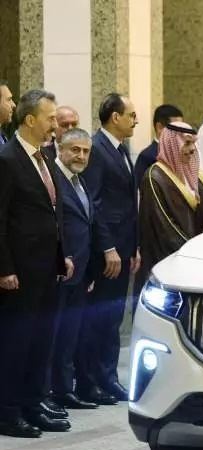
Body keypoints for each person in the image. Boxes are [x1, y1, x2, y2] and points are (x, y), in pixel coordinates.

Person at [0, 89, 72, 437]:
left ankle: (33, 403)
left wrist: (63, 255)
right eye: (50, 118)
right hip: (20, 272)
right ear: (30, 120)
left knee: (41, 342)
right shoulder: (7, 160)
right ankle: (8, 411)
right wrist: (4, 268)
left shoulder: (44, 157)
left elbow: (53, 213)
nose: (55, 125)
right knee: (17, 345)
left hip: (47, 269)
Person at [79, 93, 140, 404]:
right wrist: (108, 248)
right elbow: (95, 204)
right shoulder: (97, 149)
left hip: (124, 247)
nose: (136, 121)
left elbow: (127, 203)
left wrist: (134, 246)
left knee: (113, 319)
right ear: (115, 117)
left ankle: (108, 377)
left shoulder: (121, 149)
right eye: (131, 115)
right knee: (99, 319)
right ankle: (90, 382)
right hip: (107, 253)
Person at [49, 128, 99, 411]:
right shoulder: (53, 179)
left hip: (79, 274)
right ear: (60, 149)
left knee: (70, 336)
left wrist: (89, 271)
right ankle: (47, 393)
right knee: (53, 336)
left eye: (86, 151)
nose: (81, 156)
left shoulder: (80, 181)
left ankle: (64, 390)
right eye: (75, 150)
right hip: (59, 271)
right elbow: (52, 226)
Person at [137, 122, 203, 288]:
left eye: (193, 143)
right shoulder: (155, 177)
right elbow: (164, 226)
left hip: (188, 253)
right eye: (187, 143)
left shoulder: (187, 173)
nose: (192, 149)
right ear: (171, 144)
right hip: (166, 257)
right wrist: (189, 250)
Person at [133, 104, 184, 191]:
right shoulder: (146, 156)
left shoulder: (182, 153)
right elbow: (142, 190)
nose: (181, 133)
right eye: (176, 128)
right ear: (159, 127)